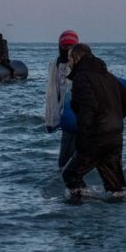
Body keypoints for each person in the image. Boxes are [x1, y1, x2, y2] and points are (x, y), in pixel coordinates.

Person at [62, 43, 126, 194]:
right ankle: (119, 206)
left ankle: (82, 205)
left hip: (95, 136)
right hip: (115, 136)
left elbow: (87, 109)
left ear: (77, 58)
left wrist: (82, 139)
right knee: (115, 186)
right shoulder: (109, 76)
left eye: (69, 59)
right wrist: (117, 118)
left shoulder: (81, 77)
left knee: (70, 175)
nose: (68, 63)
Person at [45, 30, 80, 168]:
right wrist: (52, 119)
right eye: (65, 46)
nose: (68, 49)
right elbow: (52, 92)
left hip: (81, 115)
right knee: (66, 159)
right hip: (66, 115)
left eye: (71, 46)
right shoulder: (55, 64)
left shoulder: (83, 64)